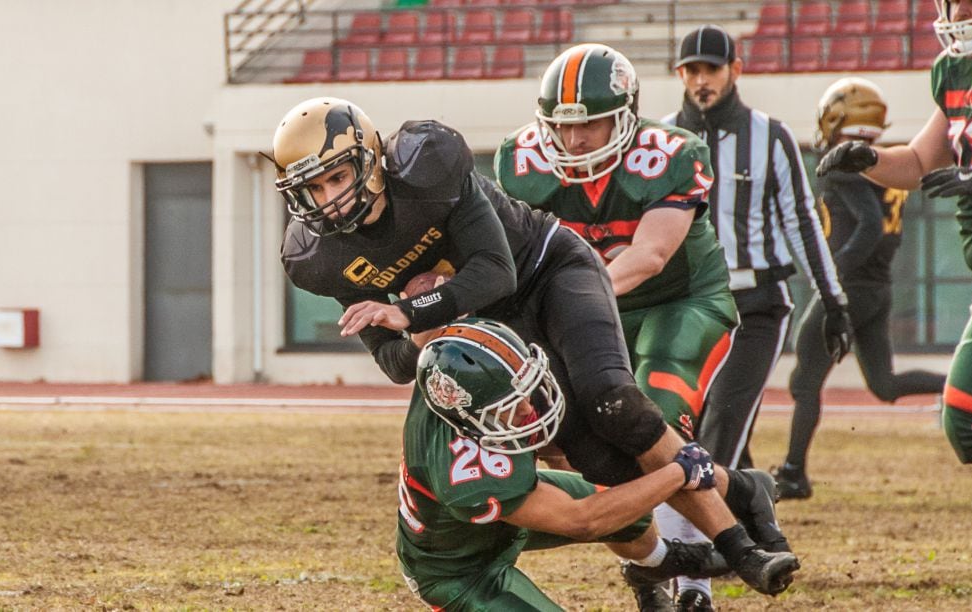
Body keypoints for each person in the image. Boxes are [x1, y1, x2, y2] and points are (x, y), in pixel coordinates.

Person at [271, 97, 801, 600]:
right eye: (312, 189)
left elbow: (496, 272)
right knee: (599, 459)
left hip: (549, 270)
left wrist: (412, 309)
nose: (329, 200)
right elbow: (395, 365)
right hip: (495, 320)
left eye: (337, 177)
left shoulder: (425, 167)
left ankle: (737, 546)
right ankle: (743, 489)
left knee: (612, 400)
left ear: (369, 160)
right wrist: (418, 332)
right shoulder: (317, 257)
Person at [493, 43, 787, 611]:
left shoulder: (670, 152)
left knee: (654, 423)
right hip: (585, 311)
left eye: (592, 125)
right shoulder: (521, 163)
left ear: (626, 116)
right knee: (579, 448)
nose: (574, 141)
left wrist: (569, 304)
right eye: (561, 126)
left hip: (677, 303)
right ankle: (663, 555)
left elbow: (650, 256)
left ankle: (694, 586)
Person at [817, 0, 972, 495]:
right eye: (955, 3)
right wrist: (867, 159)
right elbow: (916, 163)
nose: (963, 13)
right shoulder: (956, 70)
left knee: (971, 419)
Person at [398, 318, 729, 610]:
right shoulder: (467, 481)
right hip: (461, 570)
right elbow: (583, 520)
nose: (529, 408)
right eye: (509, 406)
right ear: (469, 416)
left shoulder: (455, 381)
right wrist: (679, 470)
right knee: (608, 510)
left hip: (500, 515)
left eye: (524, 390)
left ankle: (653, 565)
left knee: (630, 511)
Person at [664, 25, 851, 471]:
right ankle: (752, 523)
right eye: (691, 70)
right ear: (680, 75)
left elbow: (801, 220)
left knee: (723, 426)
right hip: (683, 307)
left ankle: (700, 538)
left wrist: (833, 300)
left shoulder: (771, 136)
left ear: (736, 70)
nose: (701, 81)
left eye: (711, 69)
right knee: (685, 427)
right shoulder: (662, 138)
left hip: (753, 306)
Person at [770, 78, 948, 500]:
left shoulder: (848, 161)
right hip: (876, 287)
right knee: (884, 384)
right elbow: (884, 232)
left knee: (804, 380)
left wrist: (832, 276)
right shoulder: (886, 161)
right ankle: (959, 384)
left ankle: (793, 472)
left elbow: (868, 226)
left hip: (851, 286)